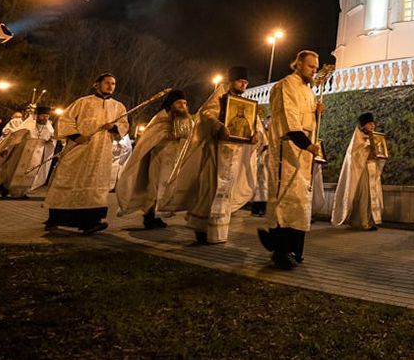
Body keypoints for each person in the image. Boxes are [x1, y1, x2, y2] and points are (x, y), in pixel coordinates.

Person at [160, 67, 262, 244]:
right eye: (240, 81)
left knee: (224, 195)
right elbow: (205, 115)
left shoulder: (246, 104)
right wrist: (218, 126)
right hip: (215, 154)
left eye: (246, 82)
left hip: (234, 156)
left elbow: (256, 125)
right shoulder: (219, 99)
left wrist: (257, 134)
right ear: (231, 82)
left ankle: (218, 235)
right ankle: (201, 233)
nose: (243, 84)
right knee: (209, 191)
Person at [258, 50, 324, 270]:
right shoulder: (287, 85)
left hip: (303, 154)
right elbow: (290, 119)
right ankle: (280, 251)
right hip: (288, 151)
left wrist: (317, 113)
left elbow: (308, 121)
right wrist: (307, 144)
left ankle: (295, 250)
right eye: (310, 66)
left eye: (316, 67)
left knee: (300, 203)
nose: (314, 70)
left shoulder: (309, 90)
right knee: (286, 201)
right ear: (298, 65)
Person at [44, 73, 129, 234]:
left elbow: (124, 125)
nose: (111, 86)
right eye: (107, 83)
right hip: (80, 149)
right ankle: (55, 219)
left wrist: (114, 127)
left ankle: (90, 222)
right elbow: (66, 120)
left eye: (113, 83)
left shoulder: (119, 107)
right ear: (97, 84)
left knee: (95, 186)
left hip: (101, 153)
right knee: (69, 180)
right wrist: (76, 136)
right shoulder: (83, 102)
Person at [116, 89, 193, 229]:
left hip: (175, 159)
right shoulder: (160, 118)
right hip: (159, 157)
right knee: (155, 186)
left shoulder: (186, 119)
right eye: (179, 103)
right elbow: (149, 137)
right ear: (171, 104)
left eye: (184, 103)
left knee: (168, 188)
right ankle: (149, 216)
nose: (182, 106)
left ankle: (159, 215)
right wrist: (165, 135)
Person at [331, 112, 387, 230]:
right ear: (363, 125)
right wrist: (368, 147)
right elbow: (355, 153)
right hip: (361, 172)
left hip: (371, 170)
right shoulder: (357, 137)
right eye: (370, 124)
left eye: (373, 124)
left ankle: (370, 221)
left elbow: (378, 152)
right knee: (364, 197)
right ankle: (362, 222)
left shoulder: (375, 136)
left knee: (371, 198)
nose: (372, 126)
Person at [0, 106, 55, 197]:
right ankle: (7, 188)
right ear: (37, 116)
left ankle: (23, 192)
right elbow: (15, 137)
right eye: (43, 116)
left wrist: (51, 140)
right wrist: (7, 148)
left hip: (37, 153)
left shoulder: (48, 127)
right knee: (14, 170)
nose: (45, 118)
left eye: (47, 116)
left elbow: (51, 139)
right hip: (22, 151)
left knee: (31, 172)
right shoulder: (28, 125)